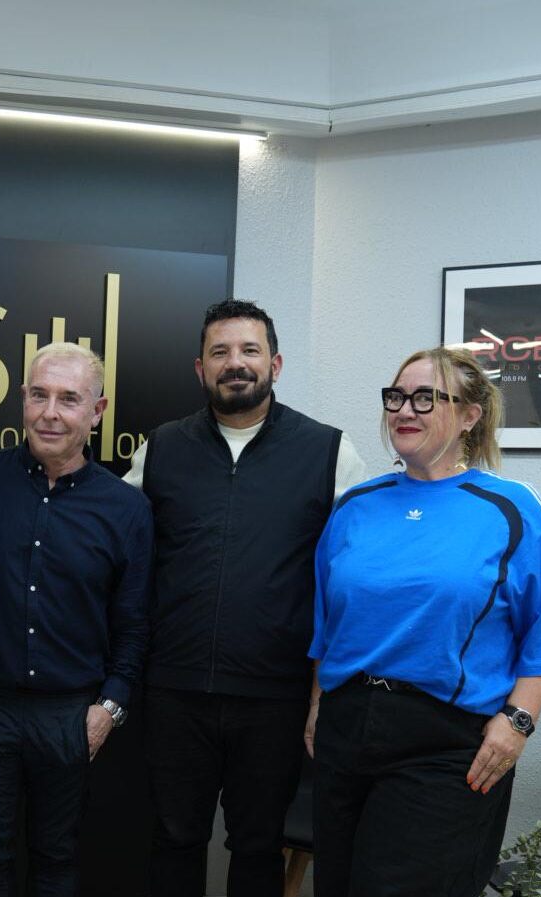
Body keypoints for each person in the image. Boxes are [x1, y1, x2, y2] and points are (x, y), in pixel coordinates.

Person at [307, 346, 541, 897]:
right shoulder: (356, 505)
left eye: (425, 398)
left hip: (445, 743)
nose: (404, 410)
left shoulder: (512, 508)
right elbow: (327, 620)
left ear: (469, 415)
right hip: (348, 727)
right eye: (396, 397)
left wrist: (518, 723)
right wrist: (319, 702)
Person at [124, 299, 367, 897]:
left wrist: (320, 693)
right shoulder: (161, 449)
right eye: (220, 352)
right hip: (174, 691)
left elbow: (353, 584)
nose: (236, 364)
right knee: (173, 837)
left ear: (276, 364)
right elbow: (122, 559)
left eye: (250, 350)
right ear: (199, 369)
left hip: (274, 697)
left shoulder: (330, 452)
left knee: (258, 847)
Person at [0, 342, 153, 897]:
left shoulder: (125, 508)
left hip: (70, 714)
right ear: (22, 400)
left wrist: (109, 709)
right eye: (39, 395)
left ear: (97, 411)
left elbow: (135, 621)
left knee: (57, 859)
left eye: (69, 399)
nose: (50, 412)